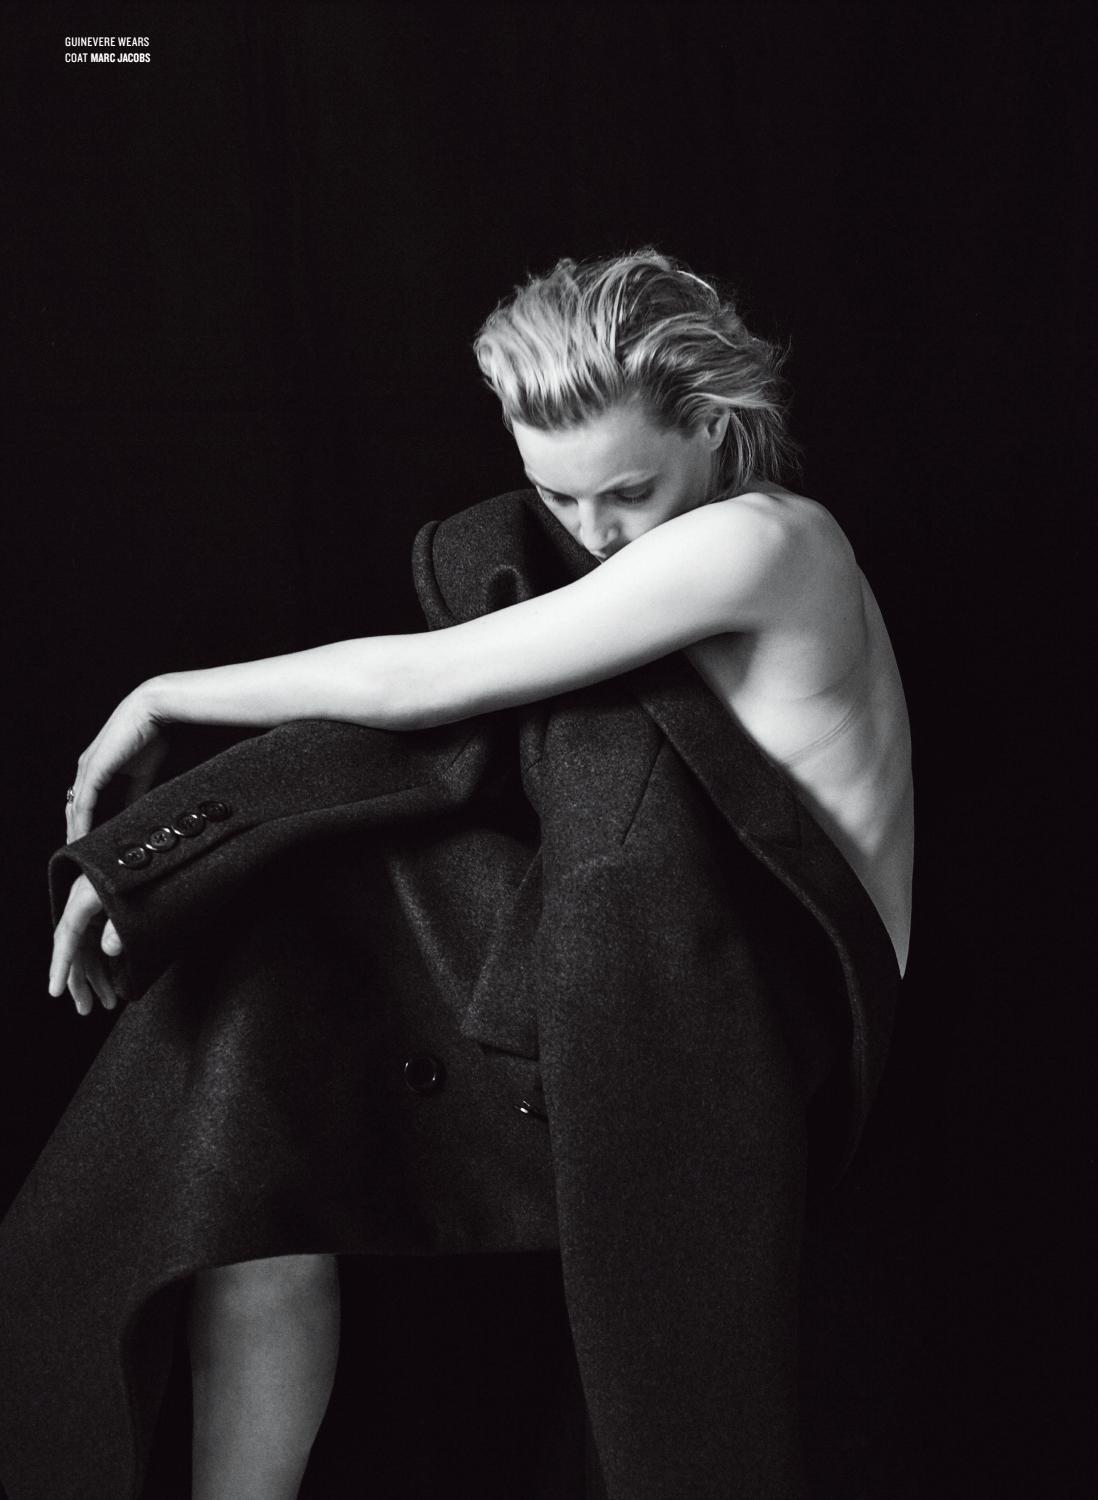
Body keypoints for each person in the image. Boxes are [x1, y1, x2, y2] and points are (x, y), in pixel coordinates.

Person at [22, 249, 912, 1500]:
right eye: (557, 493)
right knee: (255, 1058)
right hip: (610, 979)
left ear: (714, 429)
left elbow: (426, 684)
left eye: (629, 491)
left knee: (290, 981)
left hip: (743, 1031)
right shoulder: (629, 550)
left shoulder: (768, 543)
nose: (593, 534)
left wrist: (161, 697)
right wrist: (160, 864)